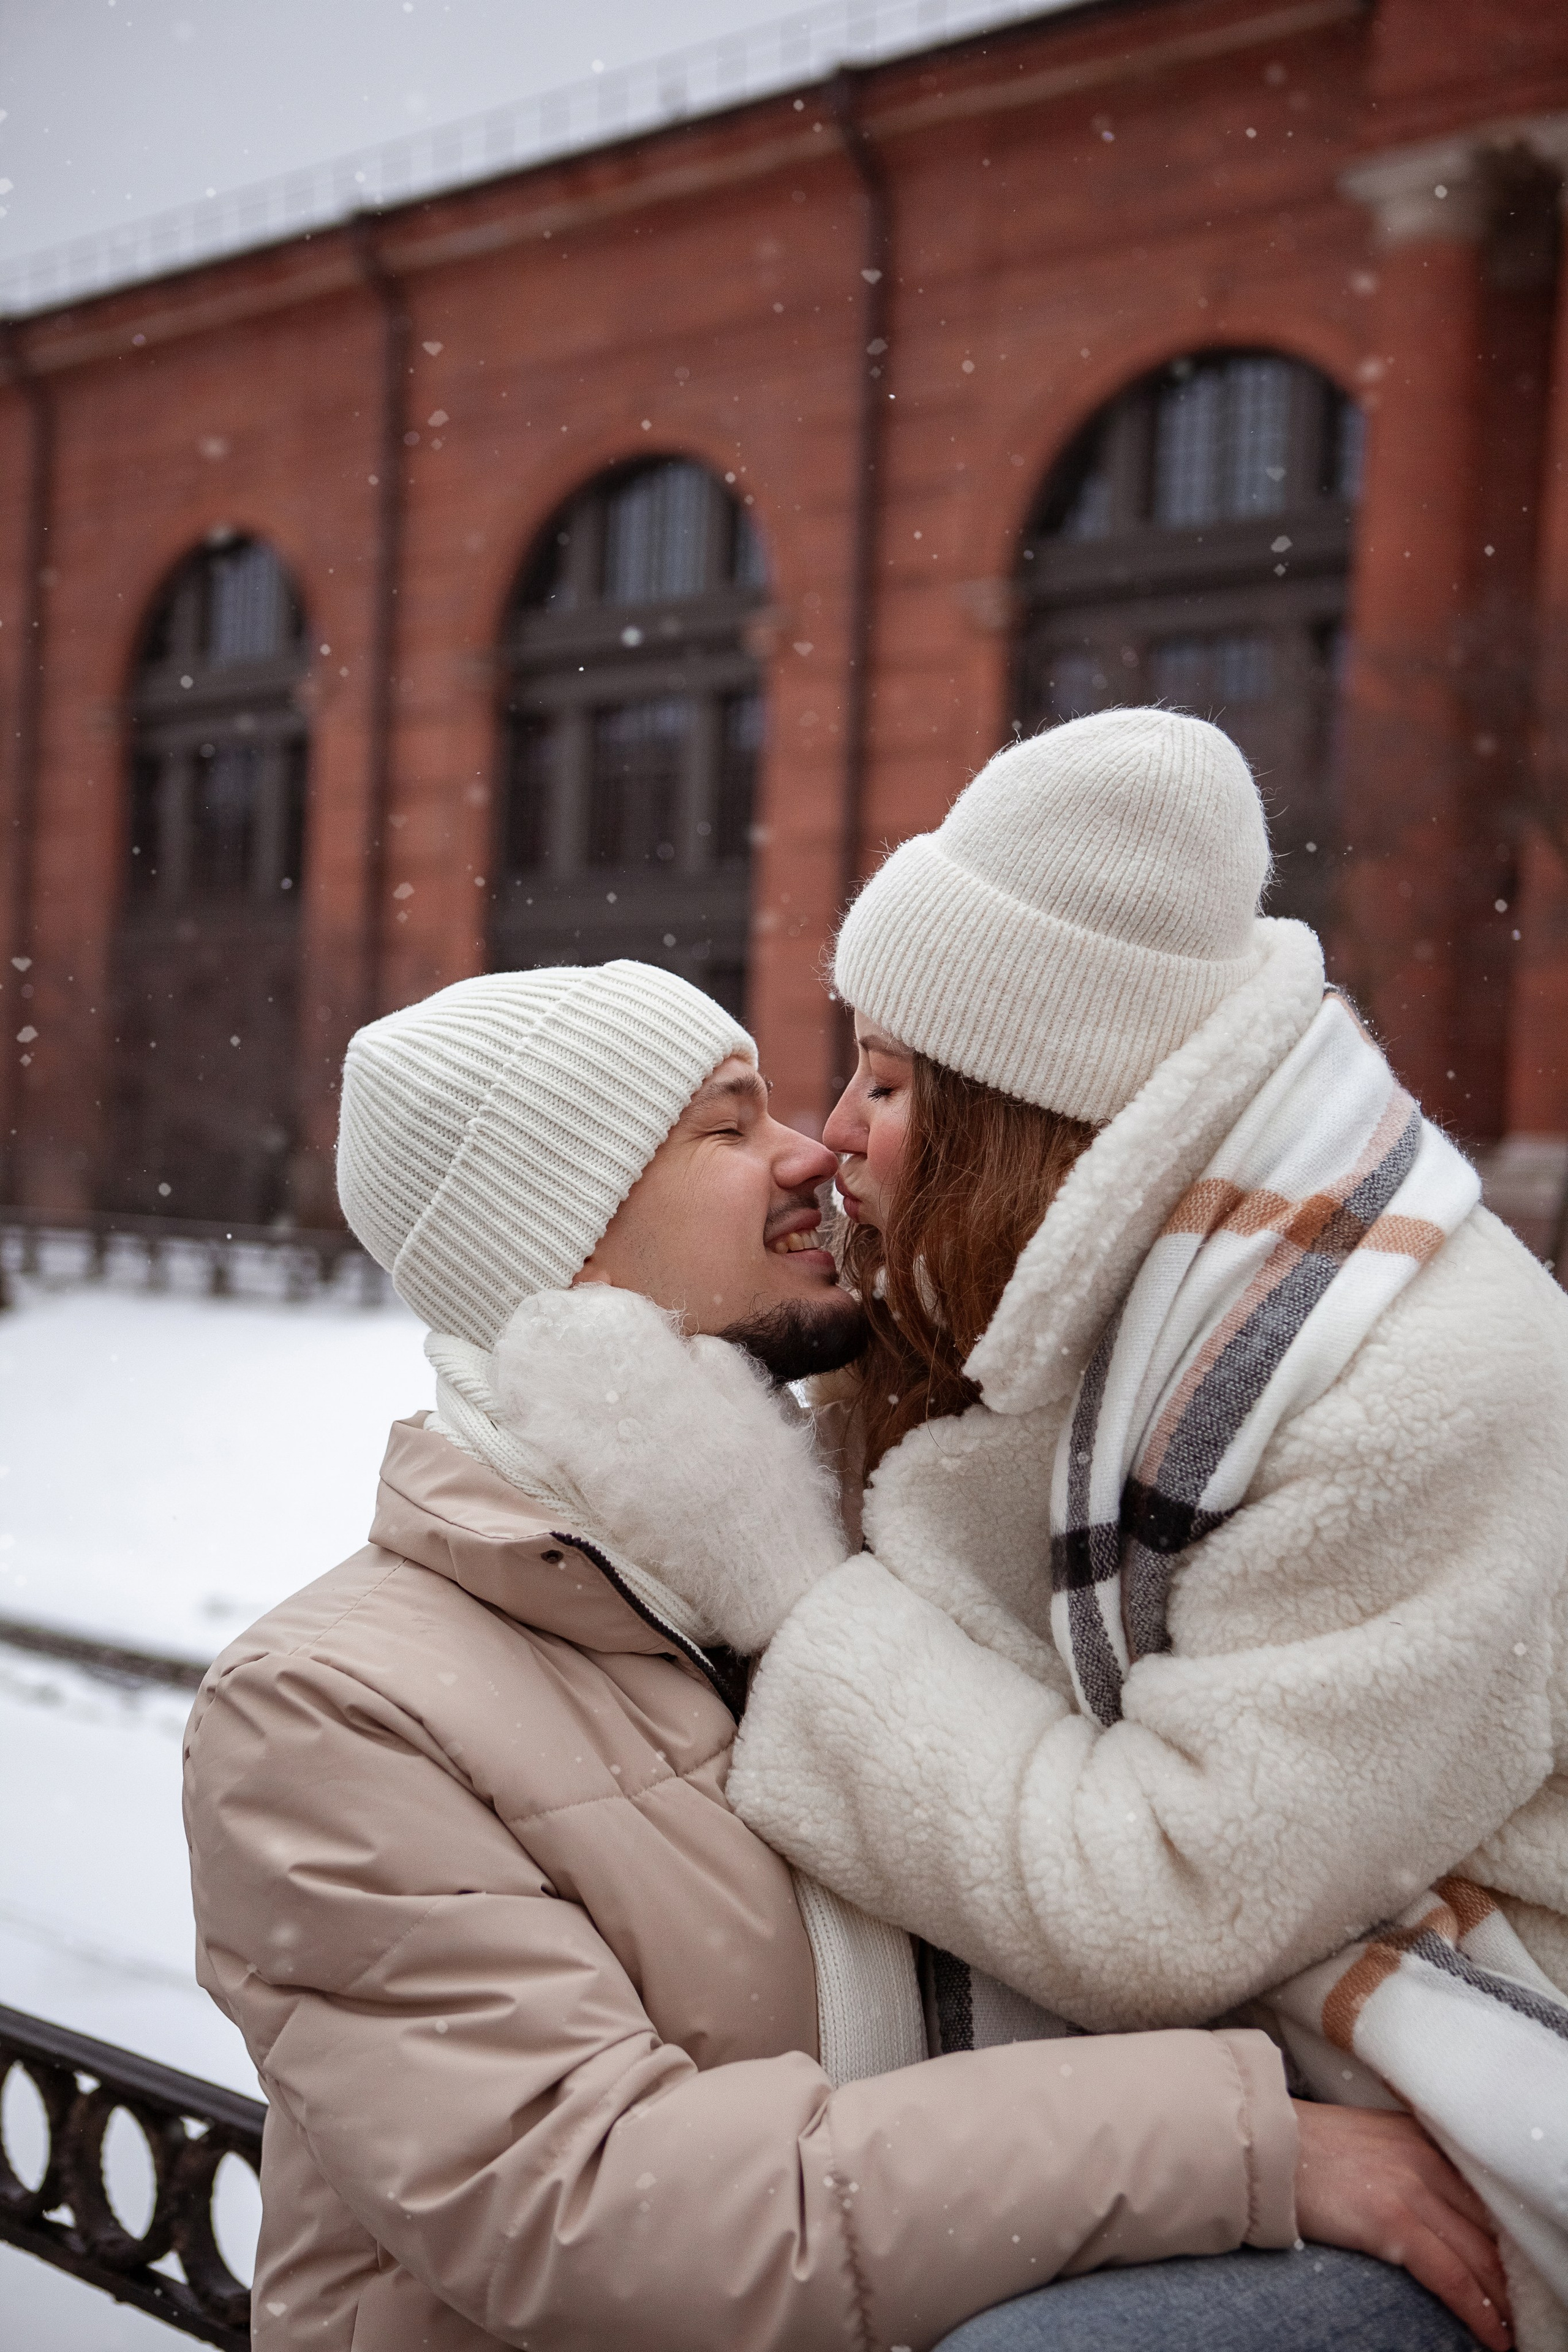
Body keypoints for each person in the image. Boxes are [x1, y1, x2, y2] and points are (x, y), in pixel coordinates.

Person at [181, 957, 1498, 2352]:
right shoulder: (325, 1710)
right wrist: (1236, 2145)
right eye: (726, 1125)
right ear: (568, 1239)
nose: (809, 1149)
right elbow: (603, 2216)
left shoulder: (856, 1546)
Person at [507, 714, 1568, 2349]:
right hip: (1226, 2079)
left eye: (886, 1080)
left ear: (1031, 1109)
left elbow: (1169, 1902)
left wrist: (793, 1596)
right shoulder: (1108, 1308)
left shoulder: (1400, 1377)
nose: (832, 1132)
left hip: (1456, 2110)